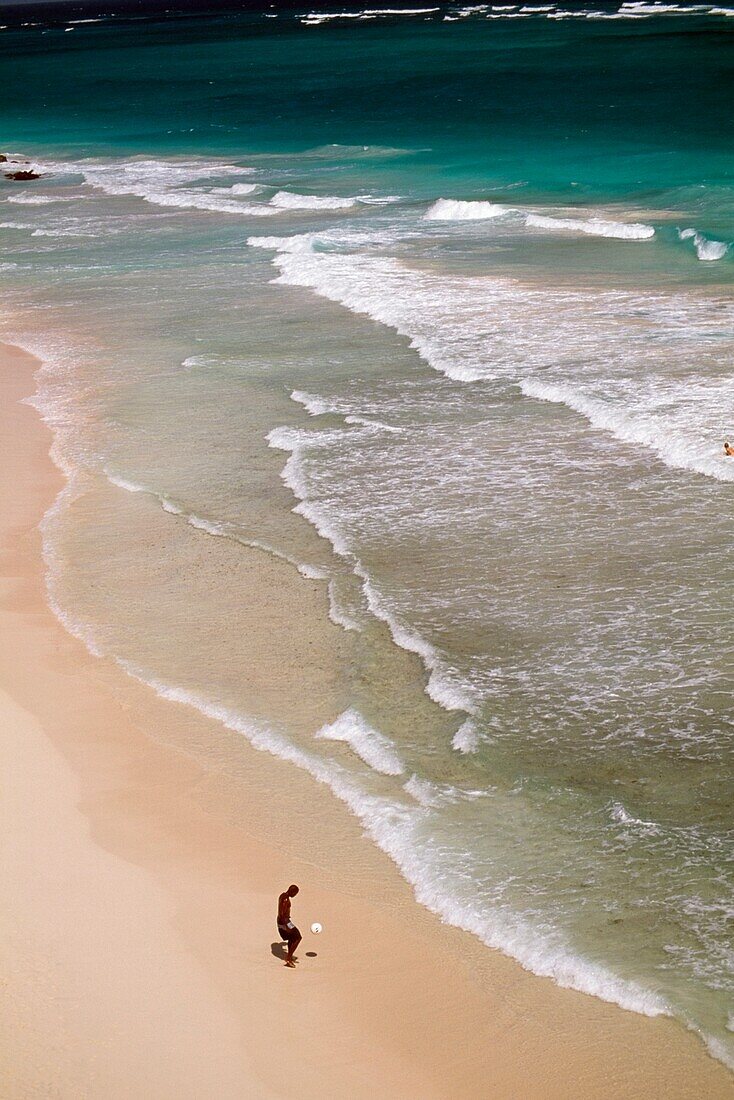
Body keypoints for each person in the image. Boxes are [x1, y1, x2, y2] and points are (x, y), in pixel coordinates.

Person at [277, 884, 302, 968]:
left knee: (292, 937)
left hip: (285, 921)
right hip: (285, 922)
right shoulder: (285, 899)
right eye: (295, 893)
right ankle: (288, 959)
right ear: (292, 891)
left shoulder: (282, 895)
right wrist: (286, 926)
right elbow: (281, 914)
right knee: (298, 937)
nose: (295, 895)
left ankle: (289, 956)